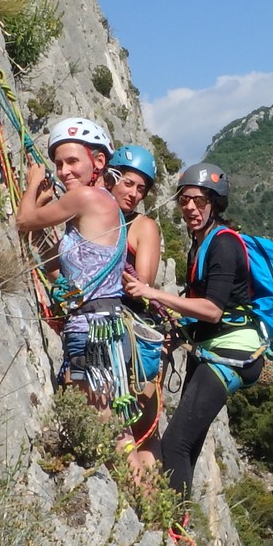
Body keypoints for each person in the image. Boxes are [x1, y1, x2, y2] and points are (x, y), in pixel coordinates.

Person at [122, 163, 265, 503]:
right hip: (211, 346)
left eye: (200, 201)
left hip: (232, 353)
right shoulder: (199, 243)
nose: (190, 208)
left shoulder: (223, 245)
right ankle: (178, 515)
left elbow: (213, 309)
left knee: (176, 443)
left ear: (215, 203)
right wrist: (179, 332)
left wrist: (153, 293)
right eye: (184, 200)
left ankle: (173, 522)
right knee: (189, 443)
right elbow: (206, 308)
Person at [15, 117, 123, 407]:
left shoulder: (86, 197)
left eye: (73, 161)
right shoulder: (102, 202)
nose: (64, 171)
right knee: (100, 414)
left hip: (92, 329)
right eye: (59, 164)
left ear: (98, 161)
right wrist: (41, 203)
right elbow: (52, 267)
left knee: (96, 415)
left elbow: (23, 221)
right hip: (96, 325)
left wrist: (33, 182)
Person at [104, 144, 165, 477]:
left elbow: (143, 282)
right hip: (110, 324)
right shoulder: (99, 215)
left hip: (135, 330)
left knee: (140, 430)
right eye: (128, 183)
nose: (134, 194)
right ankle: (146, 495)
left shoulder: (144, 226)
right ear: (111, 178)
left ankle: (149, 496)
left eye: (141, 188)